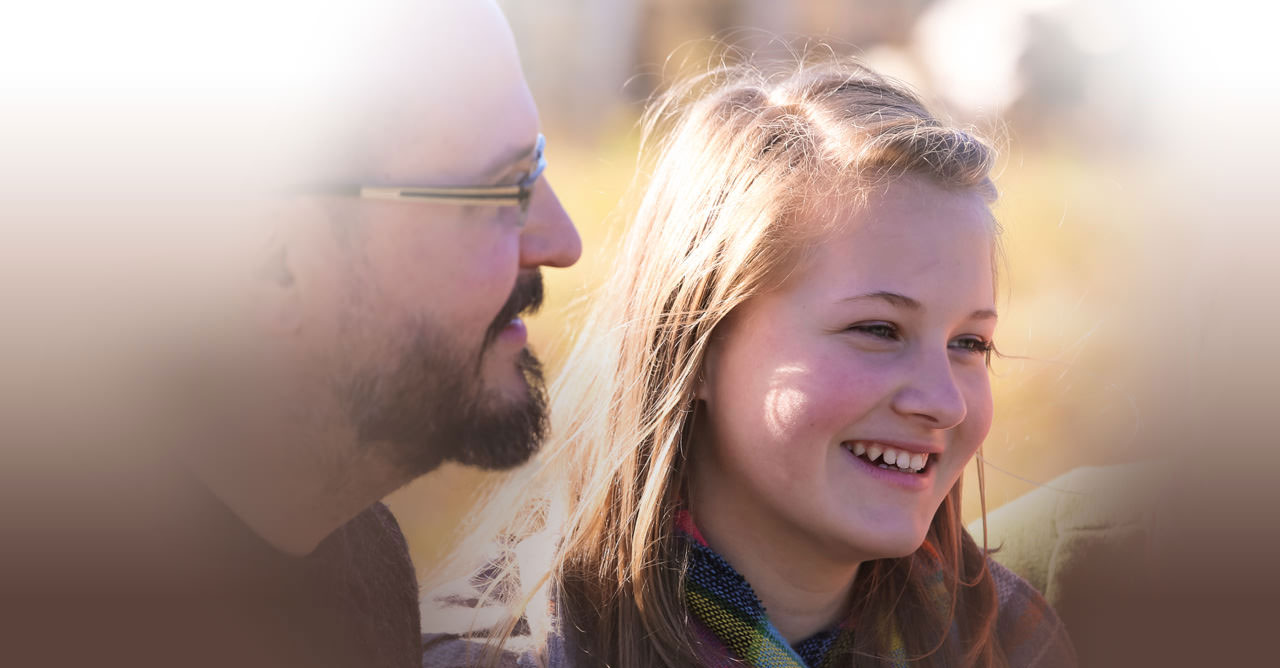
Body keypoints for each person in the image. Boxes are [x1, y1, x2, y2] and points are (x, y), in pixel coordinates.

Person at [423, 57, 1076, 667]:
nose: (944, 401)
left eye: (970, 344)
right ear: (698, 342)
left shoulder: (1003, 638)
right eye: (878, 329)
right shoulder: (508, 648)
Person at [1, 2, 579, 667]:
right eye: (501, 190)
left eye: (535, 167)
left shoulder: (357, 563)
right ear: (273, 261)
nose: (562, 243)